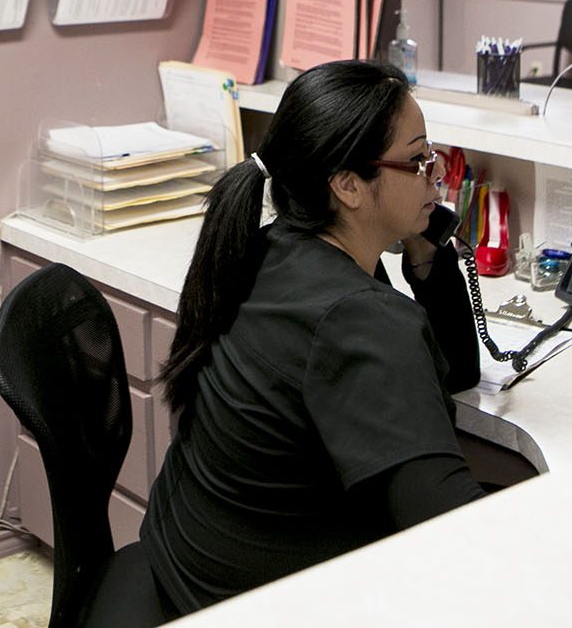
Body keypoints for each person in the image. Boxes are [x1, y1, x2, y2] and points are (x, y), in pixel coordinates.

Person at [140, 60, 485, 615]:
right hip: (259, 603)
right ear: (348, 184)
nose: (435, 174)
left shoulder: (275, 248)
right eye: (418, 159)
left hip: (191, 565)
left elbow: (458, 372)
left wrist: (425, 243)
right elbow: (454, 532)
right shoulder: (359, 318)